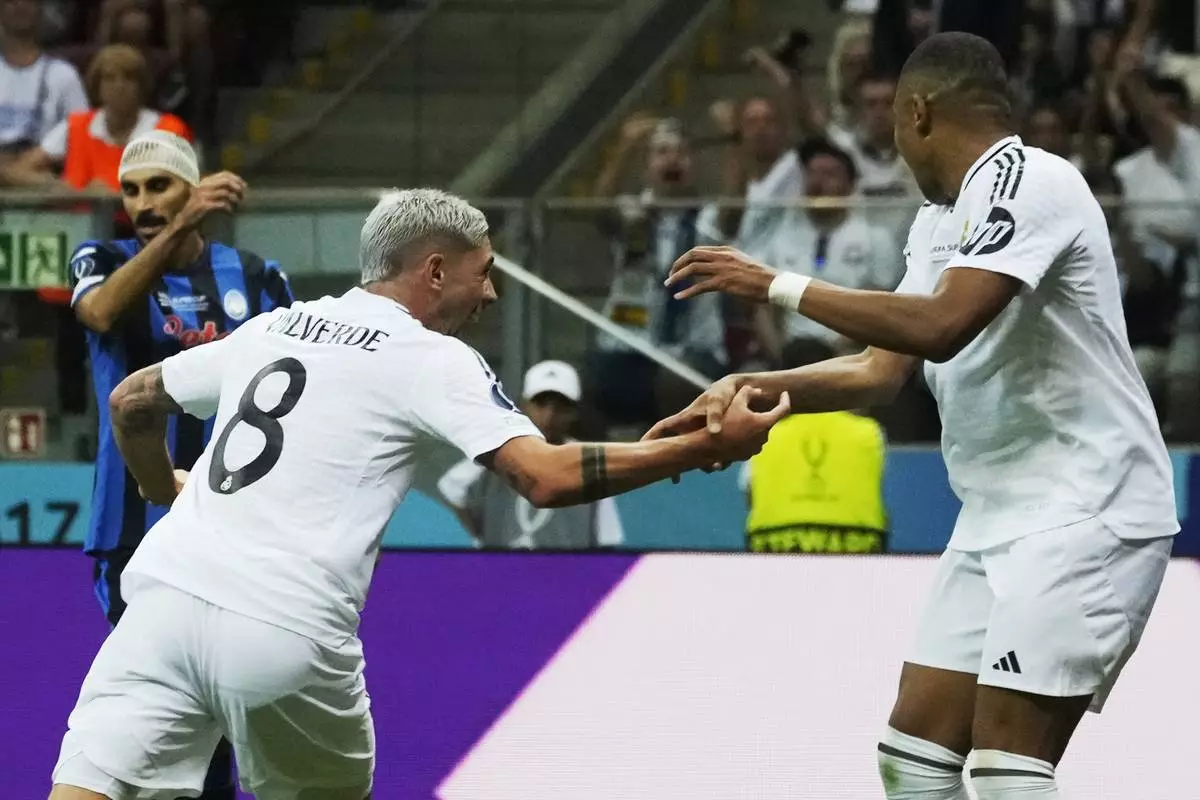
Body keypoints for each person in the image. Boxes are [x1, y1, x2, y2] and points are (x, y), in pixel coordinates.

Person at [48, 188, 789, 800]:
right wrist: (699, 447)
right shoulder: (430, 358)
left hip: (164, 603)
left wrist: (164, 491)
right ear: (435, 271)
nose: (492, 292)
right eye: (485, 271)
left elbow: (134, 401)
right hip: (283, 625)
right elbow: (545, 477)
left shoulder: (274, 327)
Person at [650, 32, 1177, 799]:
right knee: (914, 762)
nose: (896, 151)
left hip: (1088, 507)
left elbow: (942, 325)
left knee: (1006, 770)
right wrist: (755, 382)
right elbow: (879, 369)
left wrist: (776, 285)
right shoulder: (941, 220)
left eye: (896, 130)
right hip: (995, 514)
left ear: (918, 112)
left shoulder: (1034, 180)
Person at [67, 129, 293, 800]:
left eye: (160, 185)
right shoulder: (100, 259)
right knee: (150, 703)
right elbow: (102, 313)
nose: (142, 202)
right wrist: (180, 227)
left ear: (192, 186)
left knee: (224, 707)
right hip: (134, 524)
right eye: (131, 189)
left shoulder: (257, 278)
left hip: (233, 525)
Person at [438, 360, 624, 549]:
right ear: (524, 405)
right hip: (505, 572)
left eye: (561, 406)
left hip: (567, 575)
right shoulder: (500, 452)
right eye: (541, 403)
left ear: (574, 412)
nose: (550, 415)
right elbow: (451, 487)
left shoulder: (589, 462)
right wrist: (482, 537)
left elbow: (608, 539)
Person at [739, 337, 887, 554]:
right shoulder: (870, 432)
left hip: (776, 547)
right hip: (857, 547)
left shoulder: (762, 433)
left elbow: (750, 494)